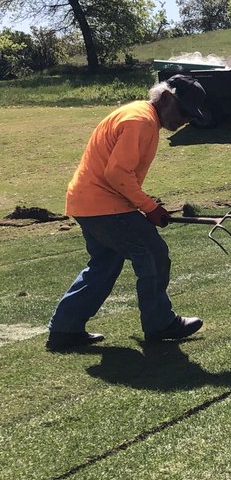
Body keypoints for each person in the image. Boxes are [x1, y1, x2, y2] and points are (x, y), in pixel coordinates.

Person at [46, 75, 209, 351]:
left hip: (87, 203)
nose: (186, 120)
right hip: (105, 205)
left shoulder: (138, 115)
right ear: (167, 98)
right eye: (184, 112)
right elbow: (117, 173)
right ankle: (160, 323)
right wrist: (149, 207)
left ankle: (65, 329)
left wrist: (146, 205)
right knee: (154, 254)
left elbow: (120, 172)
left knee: (105, 263)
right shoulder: (141, 121)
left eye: (191, 116)